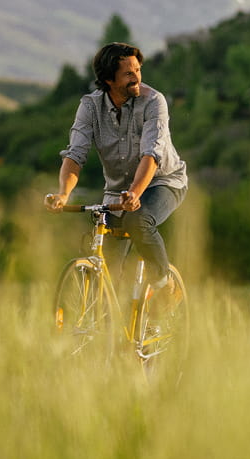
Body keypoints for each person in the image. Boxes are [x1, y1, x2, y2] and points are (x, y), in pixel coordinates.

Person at [45, 42, 188, 288]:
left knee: (137, 220)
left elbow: (151, 155)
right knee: (106, 268)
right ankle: (108, 320)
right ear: (109, 79)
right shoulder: (90, 106)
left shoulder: (154, 101)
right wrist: (63, 194)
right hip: (117, 192)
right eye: (128, 73)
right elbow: (75, 155)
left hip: (163, 182)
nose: (137, 78)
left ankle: (165, 286)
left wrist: (135, 193)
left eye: (138, 71)